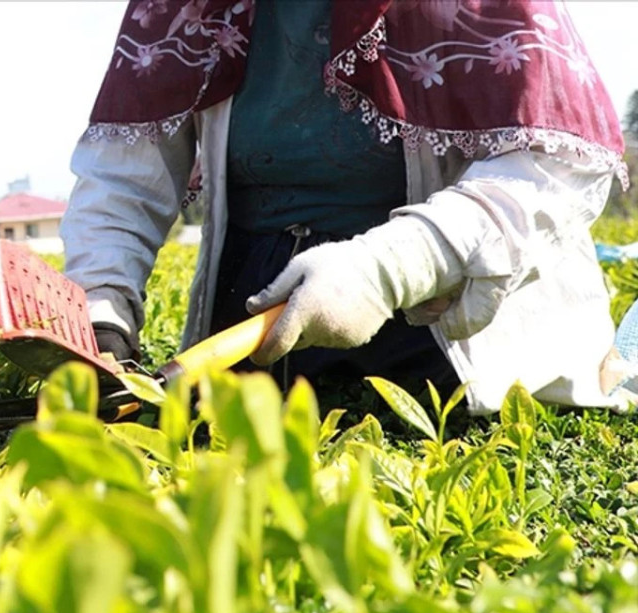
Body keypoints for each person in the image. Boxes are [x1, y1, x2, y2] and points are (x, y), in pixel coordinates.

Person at [59, 0, 632, 415]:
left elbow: (554, 168)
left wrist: (386, 270)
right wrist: (101, 307)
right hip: (255, 318)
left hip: (441, 329)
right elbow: (124, 173)